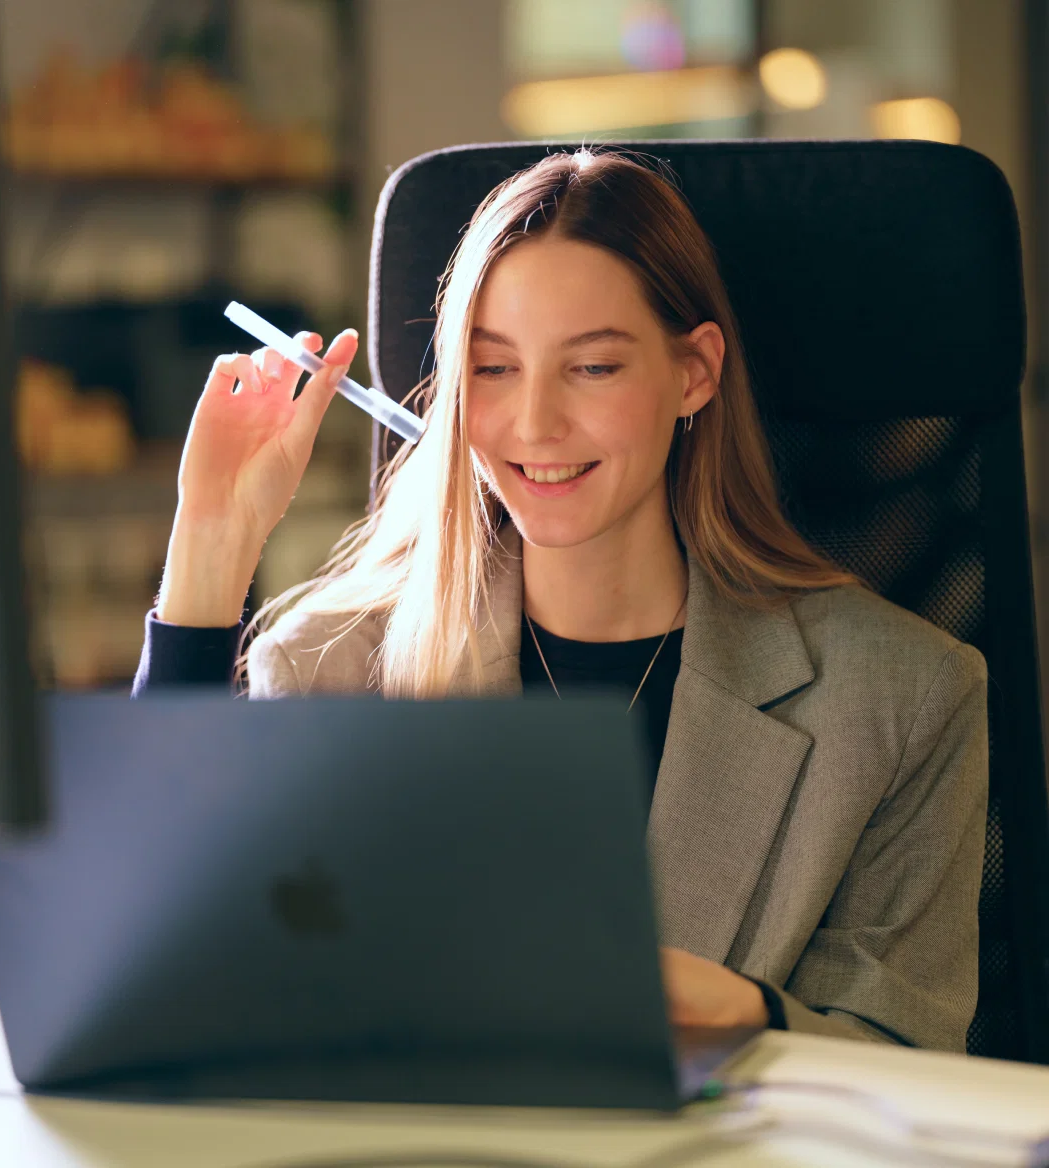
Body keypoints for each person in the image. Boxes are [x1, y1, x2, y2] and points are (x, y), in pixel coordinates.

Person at [134, 150, 988, 1052]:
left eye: (592, 369)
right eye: (494, 370)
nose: (533, 425)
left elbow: (909, 1058)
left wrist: (752, 1014)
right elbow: (155, 974)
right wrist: (210, 551)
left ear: (694, 373)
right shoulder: (327, 666)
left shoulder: (902, 699)